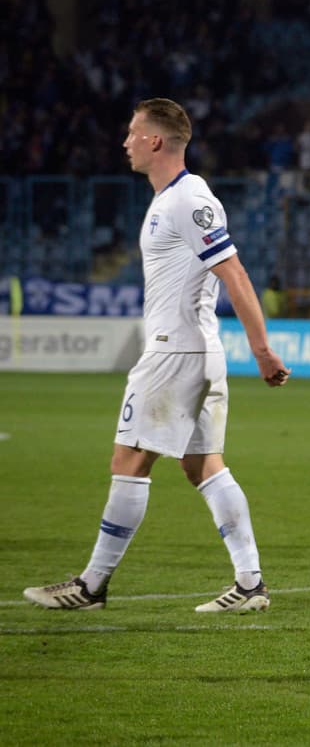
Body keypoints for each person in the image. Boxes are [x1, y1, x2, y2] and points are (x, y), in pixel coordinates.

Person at [24, 98, 291, 612]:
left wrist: (262, 349)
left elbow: (233, 272)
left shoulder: (186, 200)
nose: (125, 141)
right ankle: (251, 584)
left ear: (155, 140)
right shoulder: (175, 198)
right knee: (203, 465)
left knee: (128, 460)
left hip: (175, 353)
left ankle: (91, 585)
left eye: (132, 132)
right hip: (197, 350)